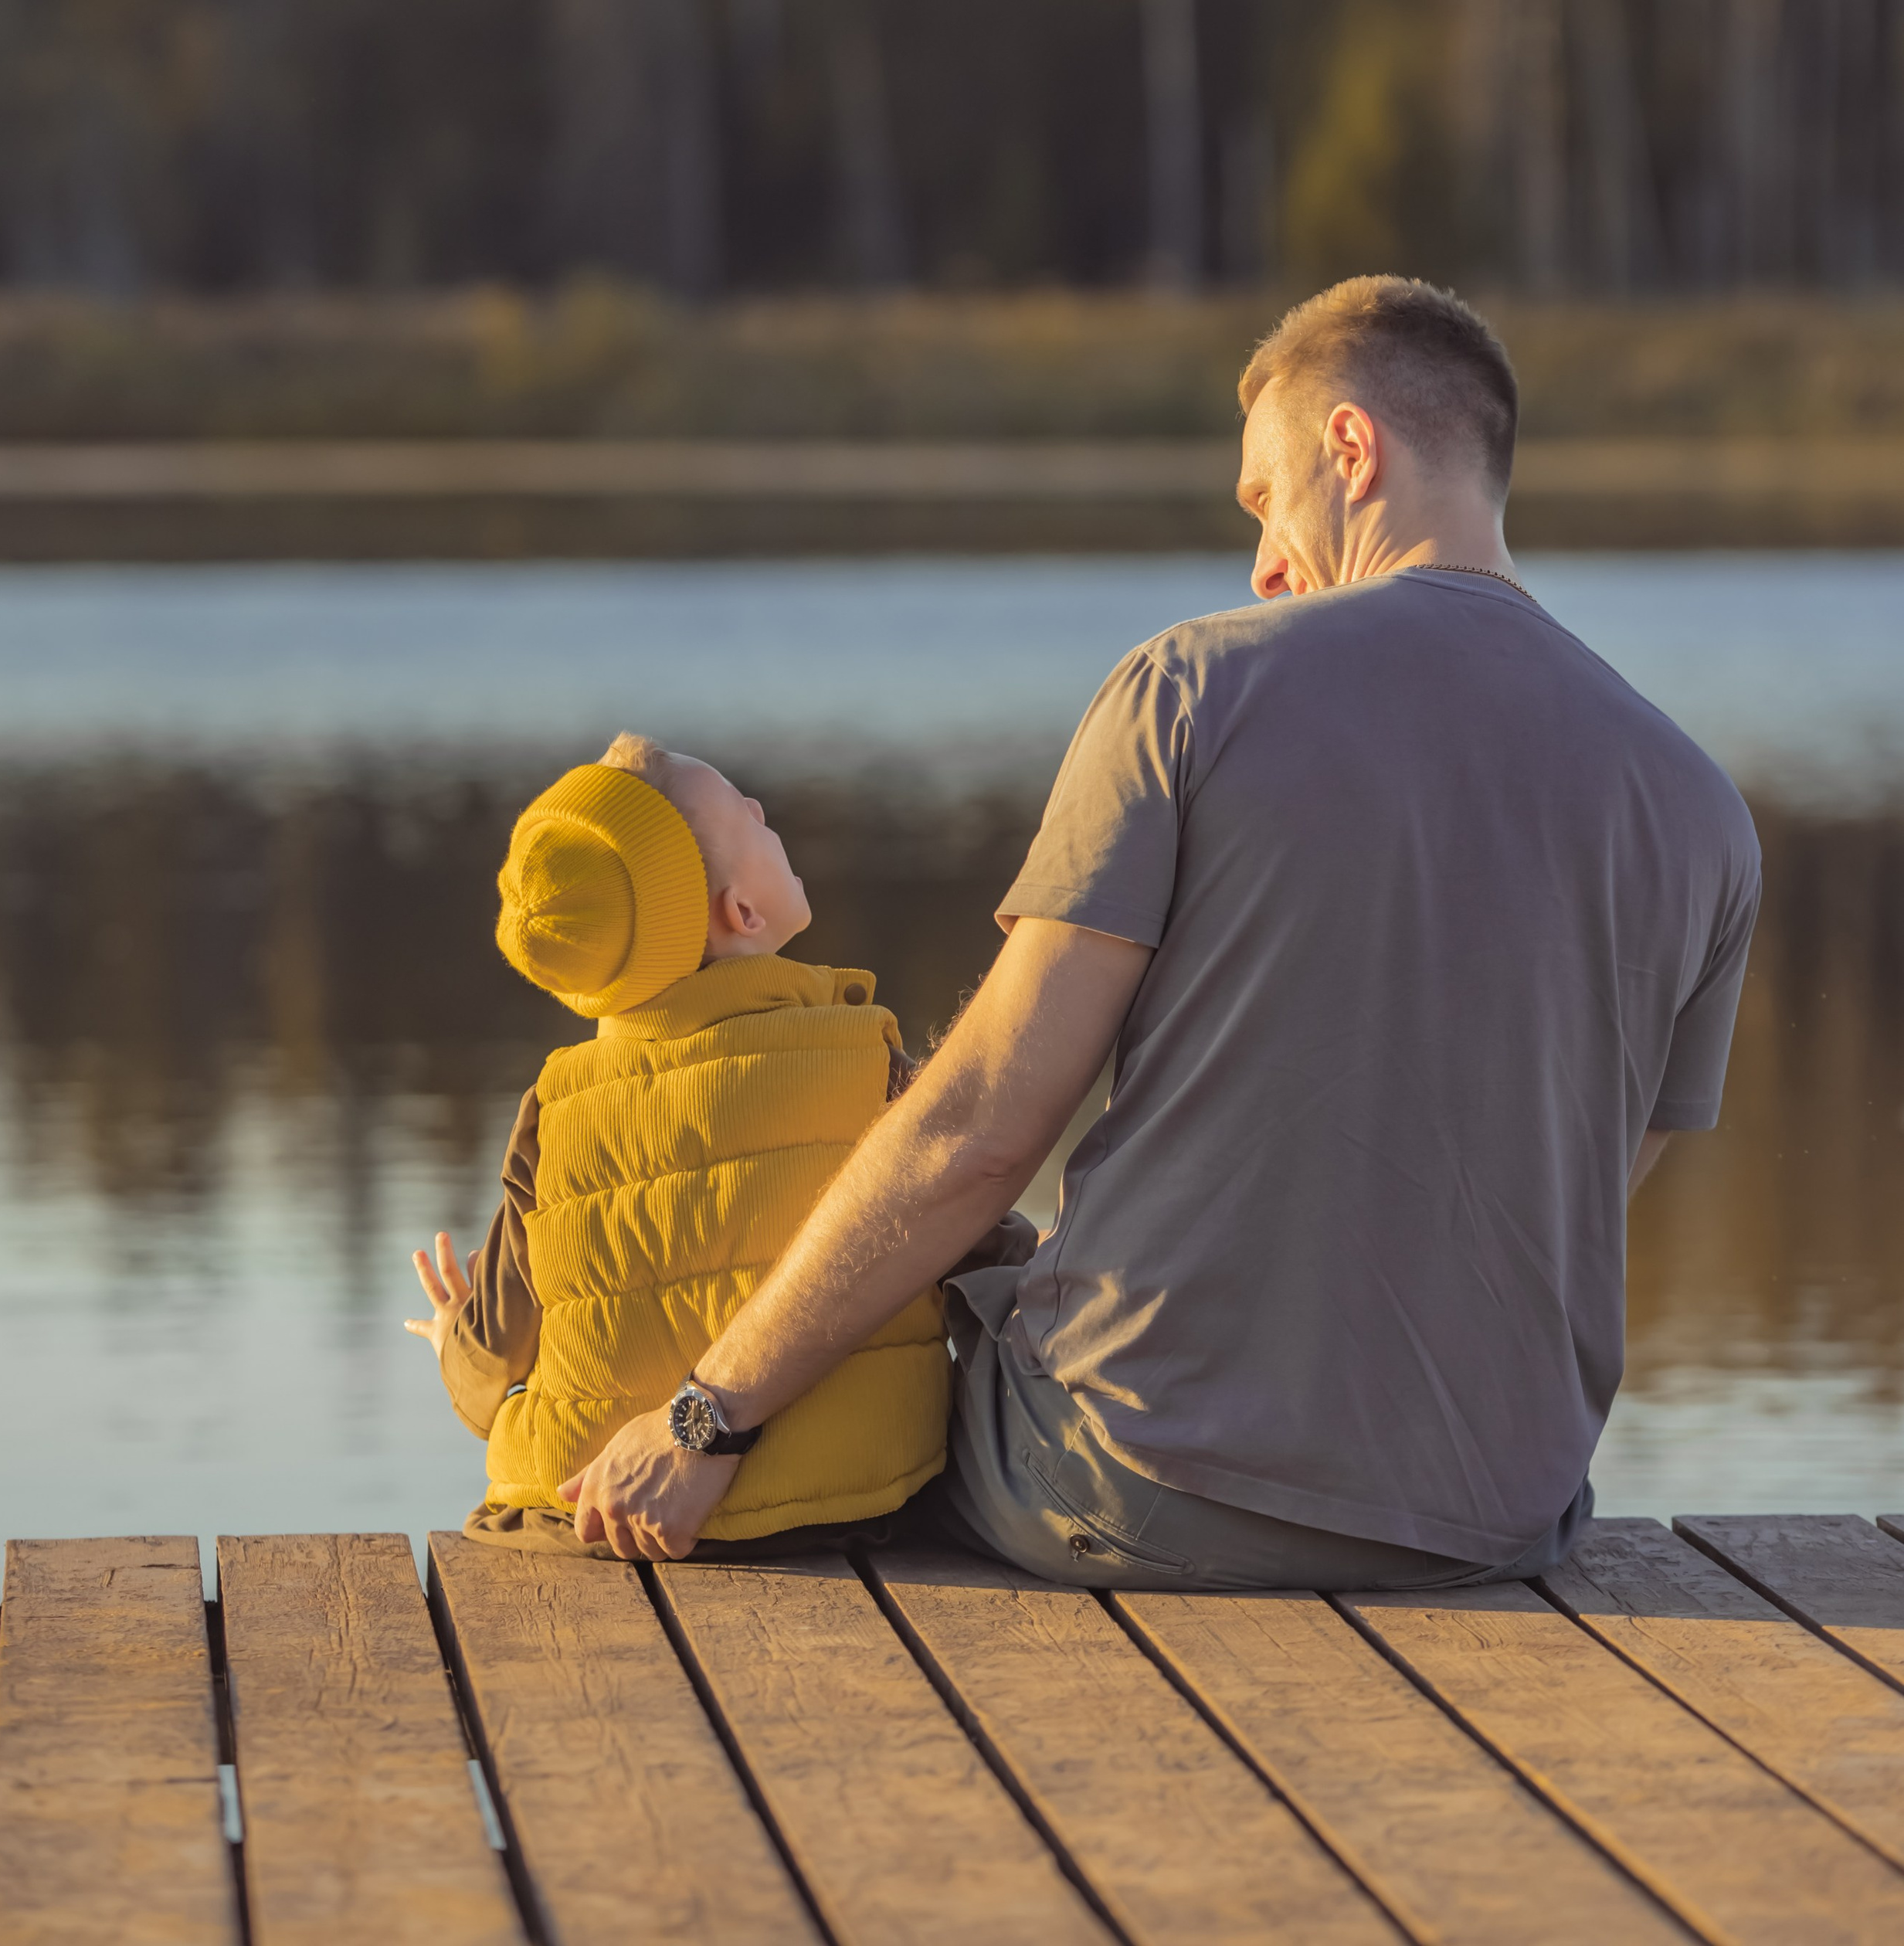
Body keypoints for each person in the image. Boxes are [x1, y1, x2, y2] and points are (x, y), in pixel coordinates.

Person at [565, 274, 1763, 1588]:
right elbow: (1576, 1187)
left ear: (1352, 450)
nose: (1260, 563)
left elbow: (980, 1127)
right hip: (1498, 1521)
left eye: (1264, 496)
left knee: (848, 1365)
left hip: (1128, 1481)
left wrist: (708, 1412)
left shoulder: (1191, 690)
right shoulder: (1701, 808)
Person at [406, 732, 949, 1551]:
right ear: (744, 913)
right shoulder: (862, 1059)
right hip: (845, 1510)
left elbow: (495, 1373)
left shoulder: (557, 1109)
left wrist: (456, 1339)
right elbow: (976, 1239)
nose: (764, 812)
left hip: (573, 1515)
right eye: (746, 814)